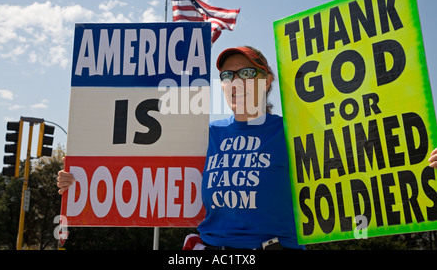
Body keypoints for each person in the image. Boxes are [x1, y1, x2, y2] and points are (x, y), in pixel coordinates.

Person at [58, 46, 437, 250]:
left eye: (248, 72)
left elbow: (365, 167)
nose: (236, 80)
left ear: (267, 80)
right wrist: (79, 181)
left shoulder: (295, 132)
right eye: (227, 74)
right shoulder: (202, 133)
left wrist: (425, 165)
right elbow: (141, 171)